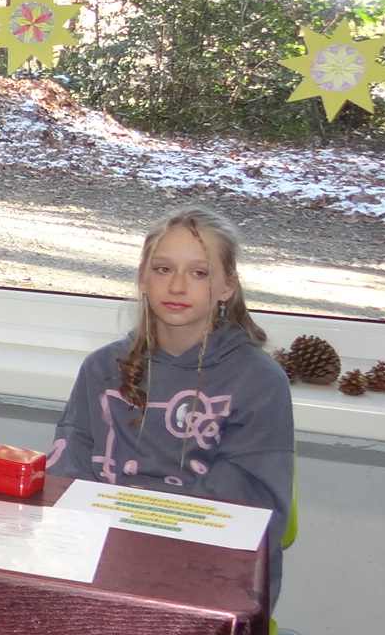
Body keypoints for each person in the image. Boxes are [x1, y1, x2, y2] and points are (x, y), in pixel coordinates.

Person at [48, 206, 294, 603]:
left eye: (199, 273)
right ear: (143, 278)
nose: (177, 286)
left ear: (227, 287)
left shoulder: (259, 380)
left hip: (205, 571)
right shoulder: (101, 368)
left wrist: (137, 539)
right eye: (163, 269)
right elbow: (67, 473)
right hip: (102, 556)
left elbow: (245, 507)